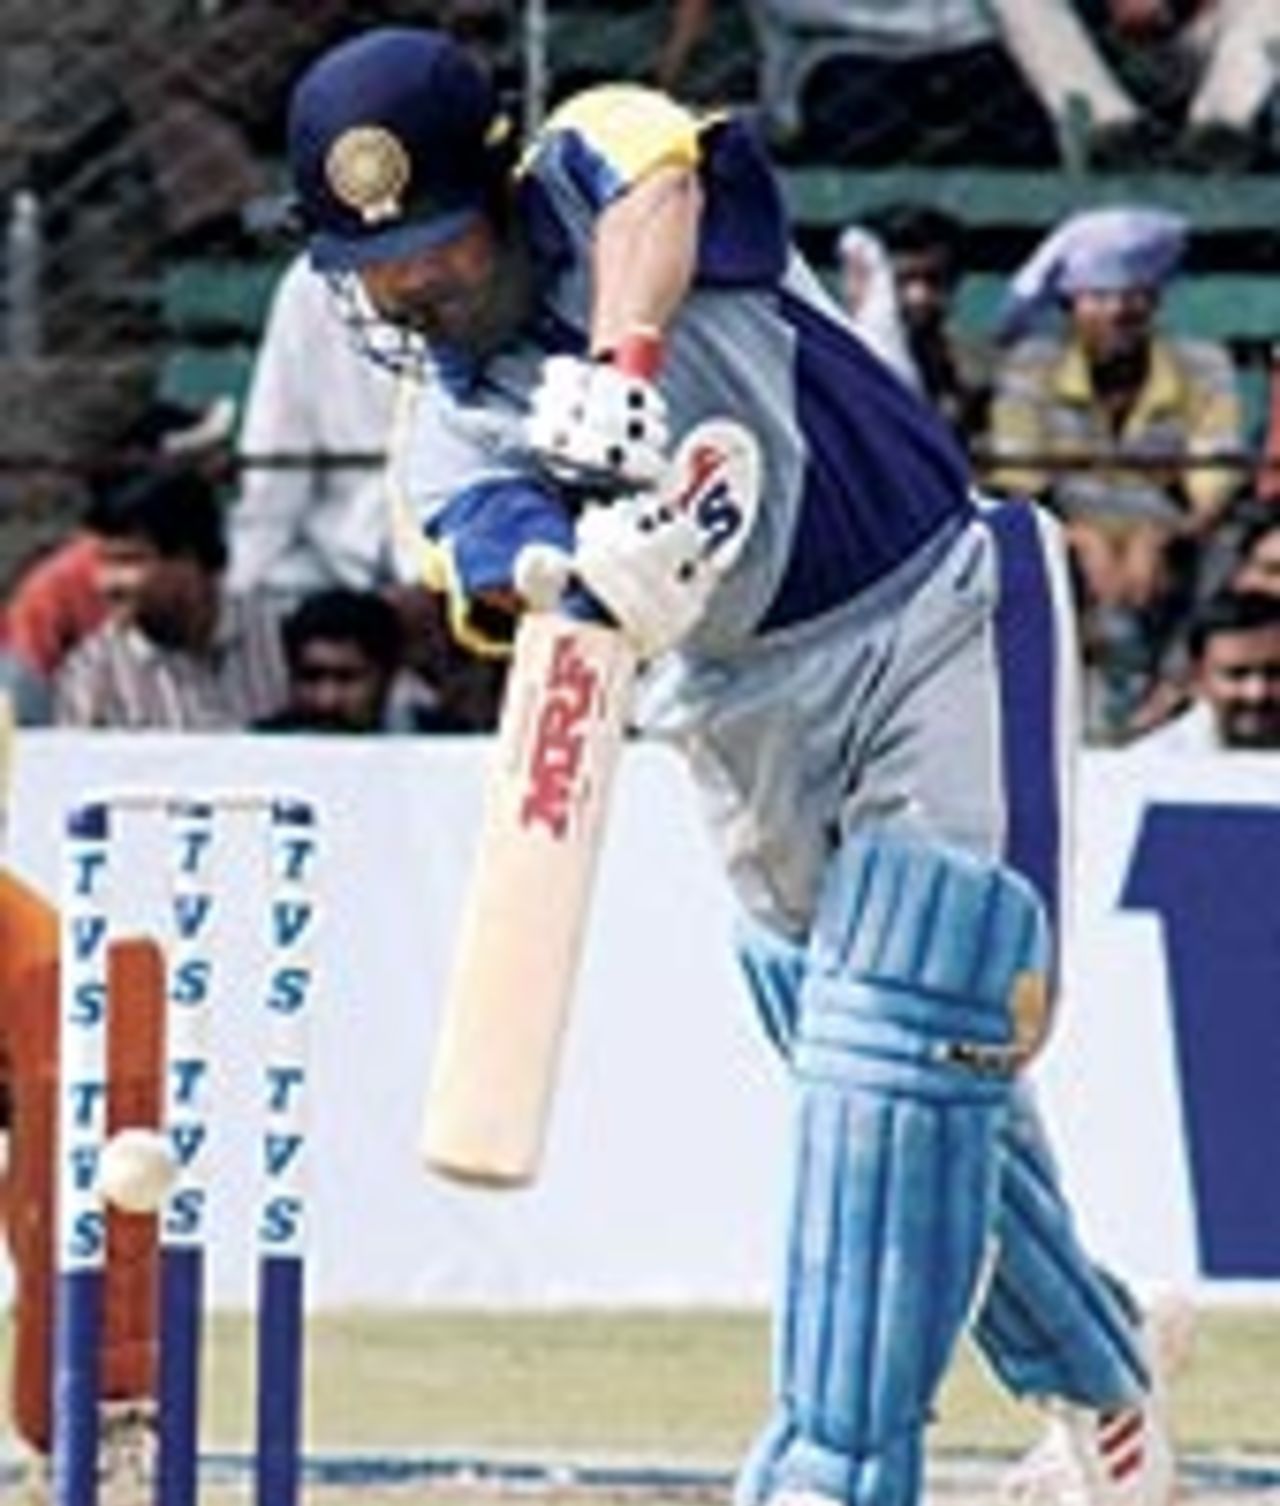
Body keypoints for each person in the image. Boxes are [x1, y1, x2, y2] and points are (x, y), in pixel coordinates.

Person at [286, 28, 1181, 1506]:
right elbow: (498, 569)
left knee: (899, 1041)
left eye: (436, 246)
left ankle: (830, 1471)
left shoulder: (593, 174)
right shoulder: (443, 435)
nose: (409, 289)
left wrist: (624, 366)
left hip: (931, 609)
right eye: (373, 268)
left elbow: (661, 182)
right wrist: (587, 571)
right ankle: (1105, 1384)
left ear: (496, 196)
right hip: (738, 714)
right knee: (895, 1077)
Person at [986, 206, 1245, 743]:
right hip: (1063, 537)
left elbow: (1213, 481)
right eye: (1100, 297)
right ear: (1070, 306)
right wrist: (1081, 539)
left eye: (1135, 296)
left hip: (1172, 548)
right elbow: (1018, 475)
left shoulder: (1202, 364)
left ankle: (1180, 687)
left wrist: (1164, 537)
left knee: (1232, 547)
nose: (1120, 311)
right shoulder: (1031, 366)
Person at [52, 463, 288, 730]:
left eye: (128, 561)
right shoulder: (94, 676)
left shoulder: (277, 639)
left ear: (188, 561)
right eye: (103, 563)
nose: (107, 584)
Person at [863, 202, 996, 451]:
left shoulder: (974, 371)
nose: (919, 297)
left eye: (935, 280)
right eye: (903, 280)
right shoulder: (844, 367)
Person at [1133, 588, 1280, 749]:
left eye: (1275, 673)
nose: (1257, 693)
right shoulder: (1152, 765)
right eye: (1236, 675)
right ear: (1197, 678)